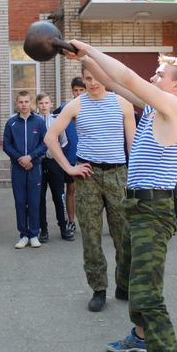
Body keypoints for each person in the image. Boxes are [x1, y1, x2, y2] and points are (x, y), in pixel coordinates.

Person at [67, 44, 177, 352]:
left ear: (176, 87)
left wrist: (89, 47)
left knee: (148, 295)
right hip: (136, 205)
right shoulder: (157, 107)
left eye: (160, 76)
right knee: (127, 275)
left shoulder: (176, 109)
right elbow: (110, 80)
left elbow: (126, 77)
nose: (153, 78)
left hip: (154, 211)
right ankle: (139, 338)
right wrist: (79, 57)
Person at [44, 65, 136, 312]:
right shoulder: (75, 105)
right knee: (92, 237)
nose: (93, 83)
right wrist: (70, 168)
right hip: (88, 176)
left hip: (118, 174)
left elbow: (133, 146)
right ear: (82, 81)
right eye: (87, 79)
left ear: (106, 77)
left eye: (96, 78)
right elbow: (50, 137)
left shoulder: (123, 104)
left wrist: (134, 179)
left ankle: (123, 283)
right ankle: (98, 289)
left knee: (123, 235)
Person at [3, 91, 46, 249]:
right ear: (16, 103)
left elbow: (45, 143)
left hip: (35, 167)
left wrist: (31, 157)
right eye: (21, 102)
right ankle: (23, 235)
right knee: (20, 202)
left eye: (26, 101)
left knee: (34, 202)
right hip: (18, 168)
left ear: (31, 103)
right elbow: (7, 145)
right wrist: (20, 159)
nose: (24, 104)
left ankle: (34, 234)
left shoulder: (39, 122)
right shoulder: (11, 123)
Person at [54, 77, 85, 240]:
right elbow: (50, 120)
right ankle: (71, 221)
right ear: (72, 91)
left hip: (88, 157)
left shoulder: (91, 107)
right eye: (76, 90)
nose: (78, 93)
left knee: (90, 192)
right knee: (71, 190)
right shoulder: (65, 108)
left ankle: (91, 221)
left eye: (81, 90)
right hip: (70, 157)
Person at [35, 92, 68, 243]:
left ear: (51, 104)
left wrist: (57, 154)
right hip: (39, 163)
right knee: (40, 198)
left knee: (59, 196)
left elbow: (63, 141)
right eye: (41, 103)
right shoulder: (34, 121)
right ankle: (44, 230)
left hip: (54, 162)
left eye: (46, 103)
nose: (43, 106)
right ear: (37, 105)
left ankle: (63, 227)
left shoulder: (57, 120)